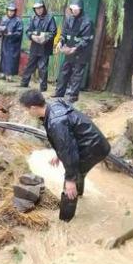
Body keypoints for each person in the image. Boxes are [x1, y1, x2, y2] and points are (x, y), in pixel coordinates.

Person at [19, 89, 111, 222]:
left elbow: (69, 150)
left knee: (69, 183)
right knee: (77, 171)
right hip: (94, 144)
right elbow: (68, 138)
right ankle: (78, 194)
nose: (27, 113)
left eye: (26, 110)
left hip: (93, 149)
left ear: (33, 108)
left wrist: (70, 180)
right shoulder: (53, 105)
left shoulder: (56, 122)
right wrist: (59, 153)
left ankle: (65, 221)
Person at [53, 0, 93, 103]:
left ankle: (73, 97)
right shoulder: (68, 19)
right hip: (69, 51)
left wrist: (75, 48)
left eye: (77, 9)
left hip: (81, 53)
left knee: (77, 74)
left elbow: (86, 39)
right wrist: (60, 43)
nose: (74, 11)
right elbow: (64, 34)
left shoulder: (87, 22)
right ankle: (59, 93)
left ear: (81, 9)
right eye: (72, 9)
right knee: (64, 72)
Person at [20, 0, 57, 92]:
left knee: (42, 67)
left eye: (40, 8)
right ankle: (24, 83)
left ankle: (43, 88)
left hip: (45, 47)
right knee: (30, 65)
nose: (38, 10)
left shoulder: (50, 18)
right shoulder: (33, 18)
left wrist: (45, 37)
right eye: (36, 9)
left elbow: (53, 32)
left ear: (43, 8)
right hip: (35, 46)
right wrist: (32, 36)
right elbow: (28, 30)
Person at [0, 3, 23, 82]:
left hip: (13, 44)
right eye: (9, 11)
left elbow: (19, 33)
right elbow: (0, 29)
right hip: (5, 42)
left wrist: (11, 34)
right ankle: (2, 74)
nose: (10, 12)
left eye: (12, 11)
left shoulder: (18, 21)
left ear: (15, 11)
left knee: (11, 59)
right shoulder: (4, 18)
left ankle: (9, 76)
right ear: (7, 11)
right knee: (3, 57)